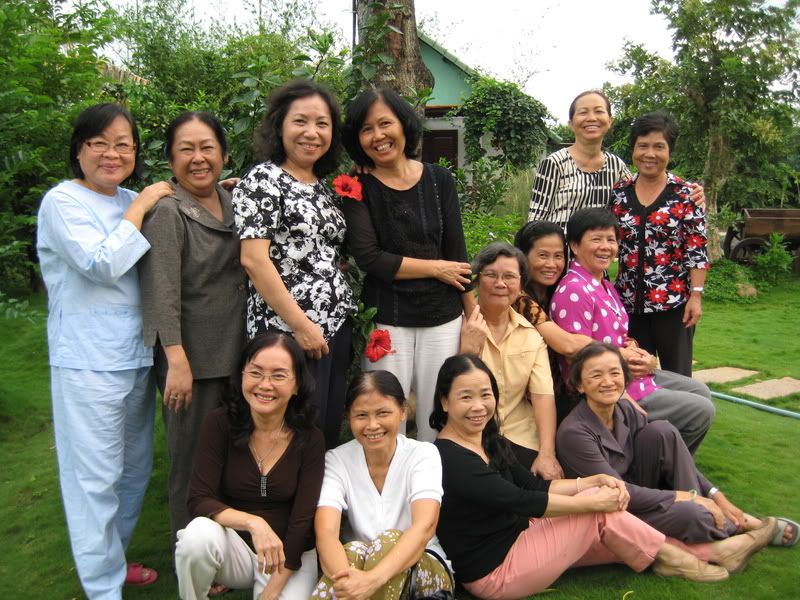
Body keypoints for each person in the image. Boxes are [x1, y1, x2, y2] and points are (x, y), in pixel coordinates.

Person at [428, 354, 776, 599]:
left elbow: (533, 484)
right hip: (495, 571)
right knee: (596, 513)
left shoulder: (489, 440)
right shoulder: (448, 456)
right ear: (444, 402)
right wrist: (593, 501)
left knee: (618, 536)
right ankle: (683, 563)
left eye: (486, 395)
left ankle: (715, 550)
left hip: (521, 536)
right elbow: (521, 500)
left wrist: (590, 482)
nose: (479, 406)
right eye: (465, 397)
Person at [36, 103, 173, 598]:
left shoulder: (132, 199)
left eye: (123, 144)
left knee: (132, 473)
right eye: (100, 143)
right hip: (87, 361)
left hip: (136, 355)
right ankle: (102, 588)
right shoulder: (62, 202)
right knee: (93, 480)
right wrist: (143, 204)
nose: (112, 154)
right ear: (79, 149)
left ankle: (113, 562)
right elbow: (101, 264)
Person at [558, 343, 796, 553]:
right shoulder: (575, 433)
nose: (608, 382)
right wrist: (688, 498)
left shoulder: (625, 409)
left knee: (662, 430)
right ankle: (747, 528)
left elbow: (677, 455)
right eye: (596, 375)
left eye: (615, 373)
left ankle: (713, 514)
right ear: (579, 385)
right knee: (691, 514)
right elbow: (618, 494)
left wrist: (716, 495)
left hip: (642, 492)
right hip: (613, 511)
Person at [139, 111, 247, 551]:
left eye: (207, 148)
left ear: (224, 154)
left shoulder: (234, 200)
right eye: (186, 149)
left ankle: (230, 550)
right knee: (192, 463)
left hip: (237, 354)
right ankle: (190, 553)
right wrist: (176, 359)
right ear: (170, 160)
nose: (198, 158)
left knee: (234, 458)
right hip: (192, 362)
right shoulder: (167, 212)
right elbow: (160, 289)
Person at [341, 87, 474, 442]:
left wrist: (473, 316)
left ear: (403, 125)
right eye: (366, 129)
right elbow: (369, 257)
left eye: (385, 123)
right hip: (388, 318)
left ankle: (435, 478)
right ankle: (387, 478)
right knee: (385, 414)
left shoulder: (439, 179)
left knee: (438, 415)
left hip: (443, 317)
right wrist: (436, 268)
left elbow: (457, 254)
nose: (378, 136)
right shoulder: (356, 186)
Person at [233, 79, 355, 448]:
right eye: (300, 121)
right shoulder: (264, 179)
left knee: (323, 433)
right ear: (280, 126)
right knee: (288, 436)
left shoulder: (323, 187)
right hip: (286, 335)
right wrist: (302, 326)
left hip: (333, 328)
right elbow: (254, 260)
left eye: (322, 124)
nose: (311, 133)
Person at [551, 208, 715, 453]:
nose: (605, 247)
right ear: (575, 246)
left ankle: (666, 458)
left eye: (611, 239)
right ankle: (660, 464)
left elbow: (614, 333)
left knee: (700, 390)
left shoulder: (604, 284)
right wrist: (622, 357)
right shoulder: (574, 291)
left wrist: (636, 351)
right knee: (700, 410)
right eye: (596, 239)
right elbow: (575, 355)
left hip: (629, 373)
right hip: (608, 385)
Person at [176, 333, 325, 600]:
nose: (265, 385)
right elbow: (199, 499)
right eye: (255, 372)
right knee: (196, 539)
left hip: (288, 556)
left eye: (278, 376)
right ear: (242, 375)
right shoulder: (219, 423)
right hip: (235, 548)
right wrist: (254, 523)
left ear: (297, 385)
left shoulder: (310, 438)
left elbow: (302, 522)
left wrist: (272, 591)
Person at [312, 371, 453, 600]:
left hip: (423, 568)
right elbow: (326, 532)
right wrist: (349, 583)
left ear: (402, 411)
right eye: (361, 415)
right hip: (359, 566)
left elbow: (424, 527)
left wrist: (371, 581)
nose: (372, 425)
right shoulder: (337, 460)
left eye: (383, 413)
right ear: (349, 417)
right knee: (353, 551)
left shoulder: (423, 455)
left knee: (389, 542)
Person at [610, 111, 708, 376]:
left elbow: (696, 249)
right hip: (628, 304)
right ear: (633, 149)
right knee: (633, 376)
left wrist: (696, 296)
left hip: (673, 305)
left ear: (670, 151)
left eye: (658, 147)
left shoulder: (685, 195)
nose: (649, 154)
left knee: (678, 376)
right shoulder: (619, 193)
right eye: (642, 146)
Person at [527, 90, 704, 230]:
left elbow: (644, 190)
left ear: (610, 120)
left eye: (598, 111)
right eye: (583, 112)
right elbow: (535, 222)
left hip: (597, 260)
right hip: (559, 261)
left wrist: (688, 192)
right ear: (571, 123)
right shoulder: (554, 164)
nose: (592, 118)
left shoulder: (616, 166)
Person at [459, 242, 560, 477]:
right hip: (472, 437)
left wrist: (547, 454)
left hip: (521, 437)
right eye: (491, 275)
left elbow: (543, 396)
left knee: (543, 483)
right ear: (477, 280)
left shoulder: (530, 335)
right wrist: (468, 352)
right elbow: (449, 392)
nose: (500, 284)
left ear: (521, 284)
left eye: (509, 277)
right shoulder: (459, 327)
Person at [513, 221, 593, 422]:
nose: (552, 264)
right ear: (522, 257)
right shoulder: (519, 299)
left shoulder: (558, 293)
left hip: (562, 390)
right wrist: (619, 353)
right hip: (533, 399)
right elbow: (567, 345)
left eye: (558, 256)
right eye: (543, 255)